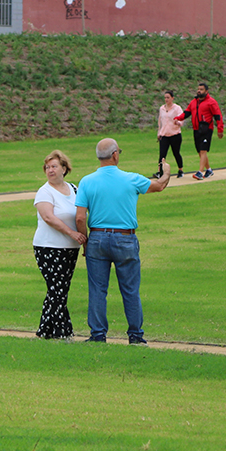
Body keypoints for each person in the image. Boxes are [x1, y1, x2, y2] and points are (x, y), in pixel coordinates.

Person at [75, 139, 171, 344]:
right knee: (129, 289)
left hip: (98, 237)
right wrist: (167, 172)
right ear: (115, 155)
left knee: (98, 289)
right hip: (125, 237)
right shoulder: (131, 179)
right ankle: (135, 335)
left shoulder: (86, 181)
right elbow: (160, 186)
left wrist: (85, 243)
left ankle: (98, 334)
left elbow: (80, 217)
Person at [32, 150, 87, 340]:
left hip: (70, 248)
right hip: (48, 247)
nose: (50, 170)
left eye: (54, 166)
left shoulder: (74, 188)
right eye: (47, 167)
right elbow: (48, 217)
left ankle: (46, 332)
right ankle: (62, 332)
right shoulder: (44, 191)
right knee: (57, 289)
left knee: (60, 289)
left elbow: (82, 213)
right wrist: (72, 233)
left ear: (64, 168)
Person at [176, 82, 224, 181]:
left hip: (206, 129)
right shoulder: (194, 102)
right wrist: (177, 118)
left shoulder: (211, 102)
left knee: (203, 150)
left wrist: (220, 129)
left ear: (206, 91)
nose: (199, 91)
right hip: (196, 129)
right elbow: (187, 112)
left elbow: (218, 116)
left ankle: (200, 172)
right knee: (200, 152)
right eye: (198, 89)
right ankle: (209, 170)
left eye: (201, 89)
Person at [155, 89, 185, 179]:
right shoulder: (162, 108)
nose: (166, 99)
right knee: (162, 154)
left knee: (176, 153)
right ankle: (160, 172)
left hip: (175, 134)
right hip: (164, 135)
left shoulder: (177, 108)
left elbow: (181, 118)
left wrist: (178, 123)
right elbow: (160, 121)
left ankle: (180, 170)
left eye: (168, 97)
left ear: (172, 98)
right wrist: (159, 132)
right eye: (165, 98)